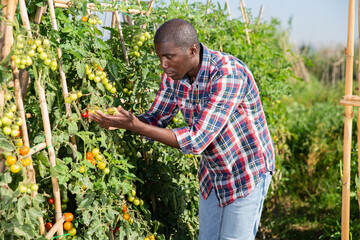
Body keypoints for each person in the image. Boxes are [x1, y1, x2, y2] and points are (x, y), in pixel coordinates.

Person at [89, 18, 274, 240]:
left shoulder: (227, 74)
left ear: (192, 50)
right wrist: (123, 120)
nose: (163, 65)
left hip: (246, 171)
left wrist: (136, 126)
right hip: (213, 174)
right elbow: (156, 117)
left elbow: (197, 140)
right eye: (160, 58)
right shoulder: (173, 76)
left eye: (169, 57)